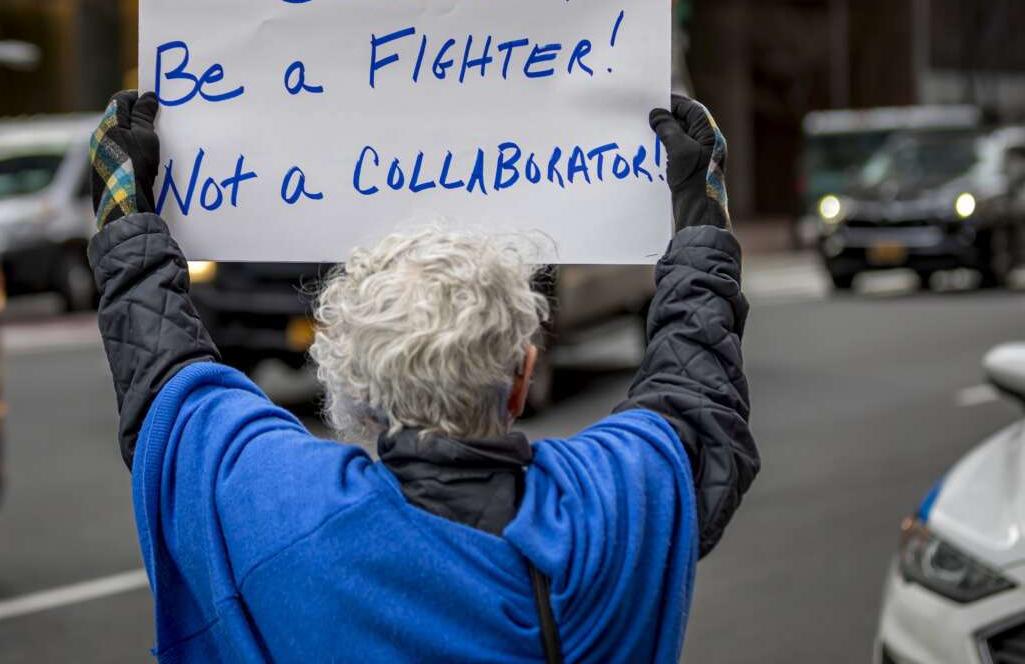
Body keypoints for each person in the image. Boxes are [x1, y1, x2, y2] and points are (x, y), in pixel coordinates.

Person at [87, 92, 757, 663]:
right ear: (521, 376)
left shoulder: (282, 515)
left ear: (351, 388)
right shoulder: (607, 515)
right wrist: (699, 206)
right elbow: (696, 398)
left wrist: (126, 208)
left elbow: (163, 375)